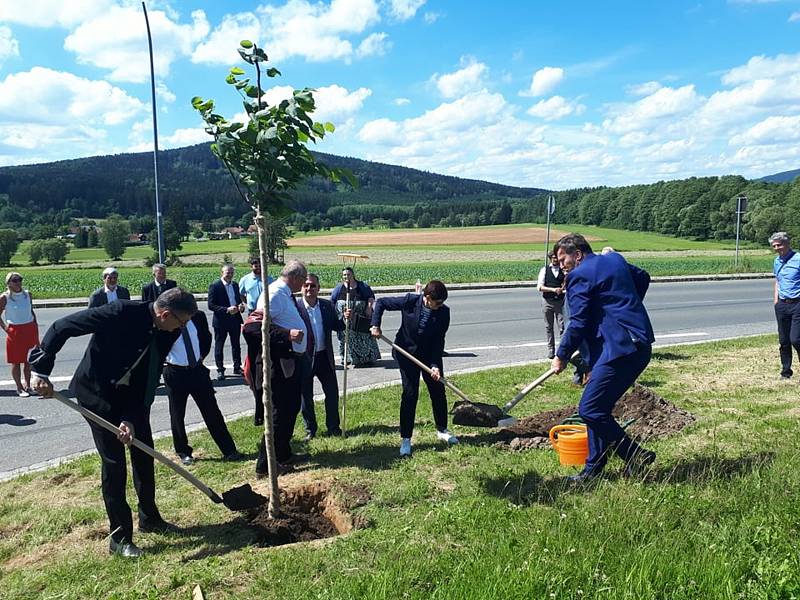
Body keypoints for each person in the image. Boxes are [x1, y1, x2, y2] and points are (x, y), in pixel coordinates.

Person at [30, 287, 198, 558]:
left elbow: (148, 376)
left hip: (133, 396)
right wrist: (41, 370)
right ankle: (119, 538)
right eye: (182, 321)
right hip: (96, 394)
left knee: (143, 453)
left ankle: (150, 517)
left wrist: (130, 419)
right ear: (165, 314)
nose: (183, 327)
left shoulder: (170, 330)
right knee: (114, 463)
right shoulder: (120, 312)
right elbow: (62, 327)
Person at [550, 233, 656, 482]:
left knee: (590, 409)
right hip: (635, 344)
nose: (561, 264)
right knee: (598, 408)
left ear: (577, 254)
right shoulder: (615, 259)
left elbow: (578, 322)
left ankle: (636, 456)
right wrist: (624, 309)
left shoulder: (579, 275)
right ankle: (593, 469)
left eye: (563, 258)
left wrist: (561, 355)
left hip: (620, 349)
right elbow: (643, 278)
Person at [370, 280, 458, 457]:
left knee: (438, 390)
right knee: (410, 393)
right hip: (406, 354)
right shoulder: (410, 301)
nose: (440, 306)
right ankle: (406, 439)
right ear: (427, 298)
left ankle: (442, 429)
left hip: (429, 356)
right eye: (437, 302)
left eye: (442, 302)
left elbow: (438, 341)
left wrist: (434, 365)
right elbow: (381, 303)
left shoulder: (443, 313)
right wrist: (375, 325)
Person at [163, 309, 242, 465]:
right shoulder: (168, 321)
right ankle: (183, 451)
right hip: (175, 372)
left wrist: (201, 356)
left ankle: (229, 450)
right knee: (177, 414)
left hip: (197, 370)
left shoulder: (197, 316)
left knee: (212, 410)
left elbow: (206, 337)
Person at [254, 260, 310, 476]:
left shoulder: (285, 293)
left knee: (291, 407)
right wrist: (288, 335)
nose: (304, 284)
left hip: (292, 360)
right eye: (303, 280)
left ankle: (284, 454)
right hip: (279, 362)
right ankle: (264, 464)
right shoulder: (275, 294)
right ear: (295, 278)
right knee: (278, 413)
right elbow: (256, 326)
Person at [299, 273, 347, 440]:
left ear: (318, 288)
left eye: (313, 285)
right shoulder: (296, 308)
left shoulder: (326, 306)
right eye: (306, 285)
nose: (309, 288)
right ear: (301, 288)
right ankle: (310, 430)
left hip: (324, 357)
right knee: (306, 396)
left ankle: (333, 427)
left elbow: (338, 326)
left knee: (332, 393)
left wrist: (346, 318)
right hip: (305, 358)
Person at [331, 267, 380, 367]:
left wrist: (369, 308)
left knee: (364, 337)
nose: (346, 277)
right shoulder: (339, 288)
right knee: (346, 338)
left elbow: (370, 297)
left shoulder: (362, 286)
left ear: (353, 275)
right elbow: (332, 301)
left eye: (348, 274)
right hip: (346, 319)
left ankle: (367, 359)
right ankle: (347, 358)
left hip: (360, 317)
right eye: (344, 275)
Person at [0, 272, 39, 397]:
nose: (18, 283)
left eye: (19, 280)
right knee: (16, 362)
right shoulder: (4, 297)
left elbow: (31, 311)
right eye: (14, 280)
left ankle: (28, 385)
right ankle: (19, 387)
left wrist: (35, 327)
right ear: (8, 283)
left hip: (29, 329)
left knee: (28, 360)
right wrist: (6, 329)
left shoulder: (28, 295)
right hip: (15, 331)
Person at [770, 231, 800, 379]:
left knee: (796, 339)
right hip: (782, 305)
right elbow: (778, 280)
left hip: (797, 304)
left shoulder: (798, 259)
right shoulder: (777, 261)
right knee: (784, 341)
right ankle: (786, 372)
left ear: (787, 244)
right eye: (774, 246)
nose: (776, 248)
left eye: (779, 245)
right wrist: (776, 300)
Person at [207, 264, 245, 380]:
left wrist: (241, 306)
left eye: (231, 273)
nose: (230, 275)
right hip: (221, 321)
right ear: (222, 273)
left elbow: (238, 301)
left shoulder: (235, 285)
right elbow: (211, 305)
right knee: (219, 346)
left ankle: (237, 367)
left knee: (236, 345)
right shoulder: (215, 286)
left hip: (235, 319)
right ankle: (220, 370)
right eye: (227, 272)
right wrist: (226, 310)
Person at [537, 251, 566, 359]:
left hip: (560, 302)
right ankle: (551, 349)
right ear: (550, 258)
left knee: (562, 327)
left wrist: (563, 289)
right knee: (549, 327)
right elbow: (540, 287)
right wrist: (553, 290)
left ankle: (562, 350)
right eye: (553, 258)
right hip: (547, 302)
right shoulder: (545, 270)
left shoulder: (563, 271)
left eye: (557, 258)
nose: (555, 260)